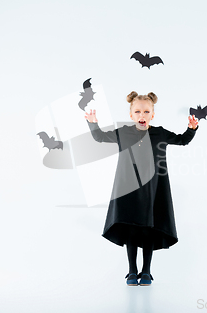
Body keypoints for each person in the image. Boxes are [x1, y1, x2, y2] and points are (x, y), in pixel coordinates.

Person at [84, 91, 198, 286]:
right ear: (131, 115)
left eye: (146, 111)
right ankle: (131, 272)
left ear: (152, 114)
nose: (142, 115)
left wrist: (191, 128)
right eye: (137, 111)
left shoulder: (159, 133)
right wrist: (93, 123)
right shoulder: (123, 133)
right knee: (131, 230)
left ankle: (146, 271)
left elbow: (182, 140)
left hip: (152, 190)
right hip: (128, 190)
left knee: (147, 230)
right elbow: (100, 137)